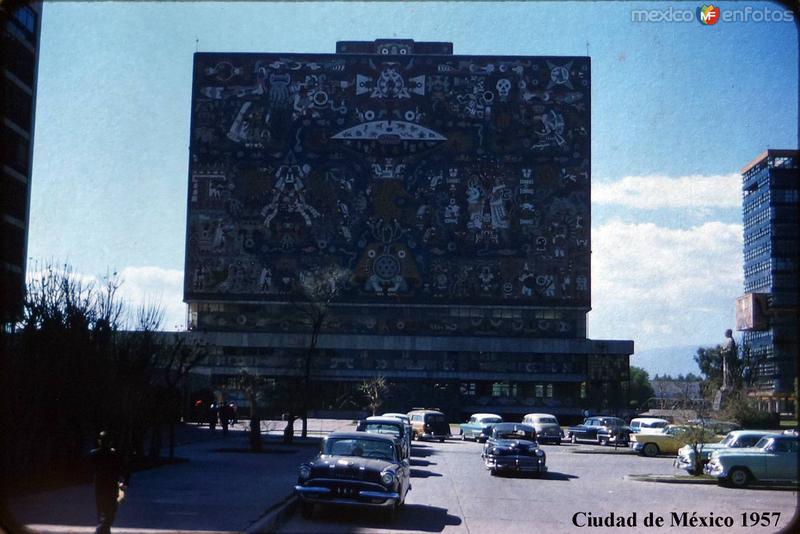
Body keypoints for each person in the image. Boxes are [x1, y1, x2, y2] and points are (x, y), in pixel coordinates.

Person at [90, 431, 129, 534]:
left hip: (99, 487)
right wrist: (124, 482)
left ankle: (103, 529)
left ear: (99, 441)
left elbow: (88, 469)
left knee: (102, 510)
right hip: (111, 486)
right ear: (110, 442)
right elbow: (125, 468)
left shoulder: (94, 454)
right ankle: (102, 529)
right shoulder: (115, 454)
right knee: (110, 510)